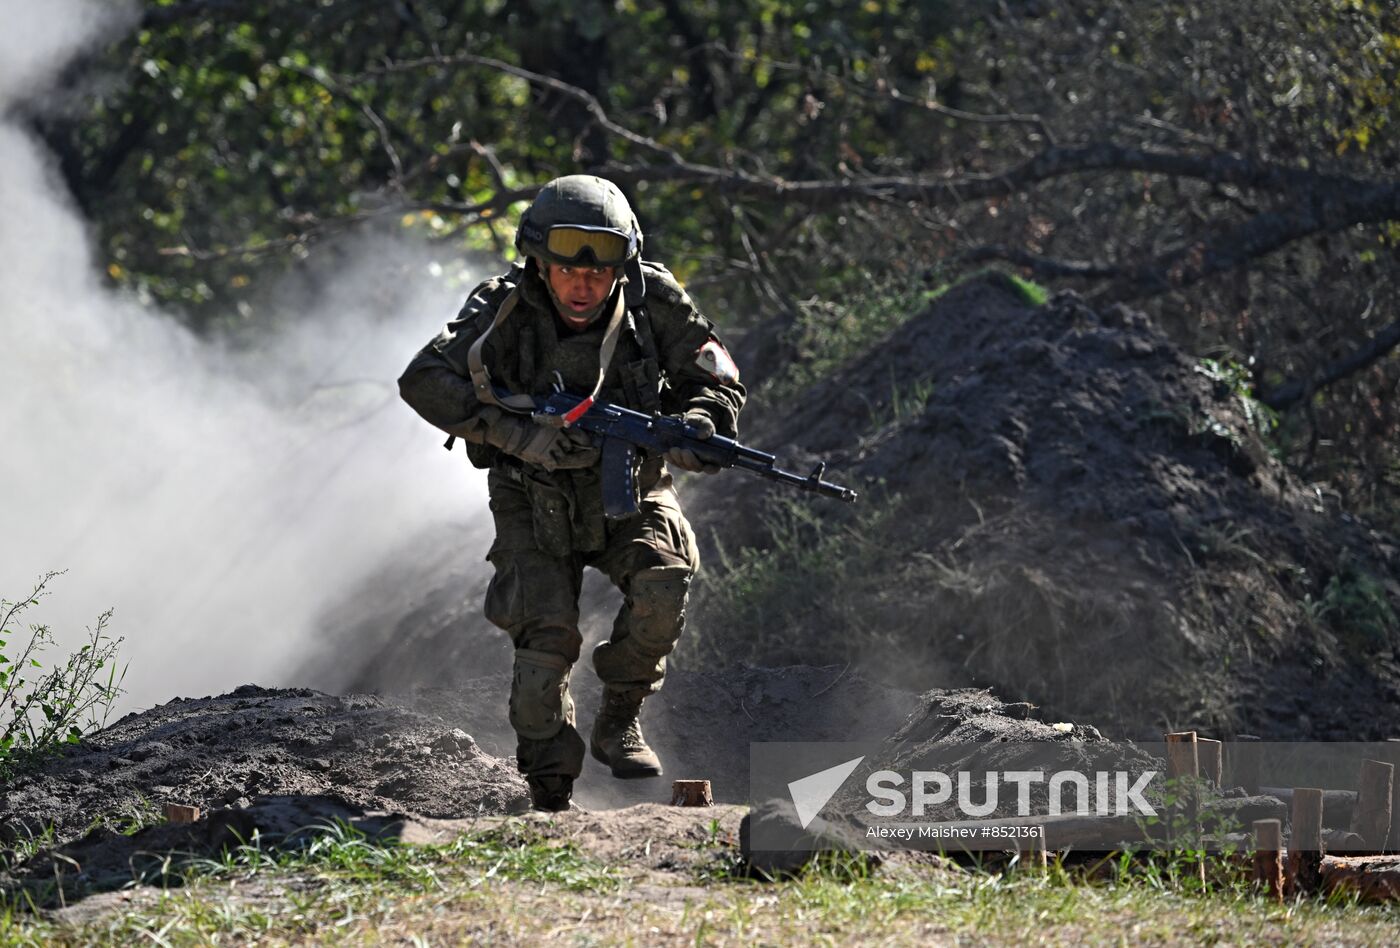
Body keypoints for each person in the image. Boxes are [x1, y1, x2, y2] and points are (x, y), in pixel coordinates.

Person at [398, 175, 746, 811]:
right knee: (543, 646)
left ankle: (620, 714)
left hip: (633, 483)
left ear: (625, 262)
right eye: (566, 265)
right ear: (537, 259)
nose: (584, 283)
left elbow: (714, 373)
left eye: (602, 265)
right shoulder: (501, 309)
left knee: (665, 581)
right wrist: (513, 434)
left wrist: (701, 422)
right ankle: (550, 790)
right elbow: (423, 378)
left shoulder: (652, 300)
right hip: (532, 496)